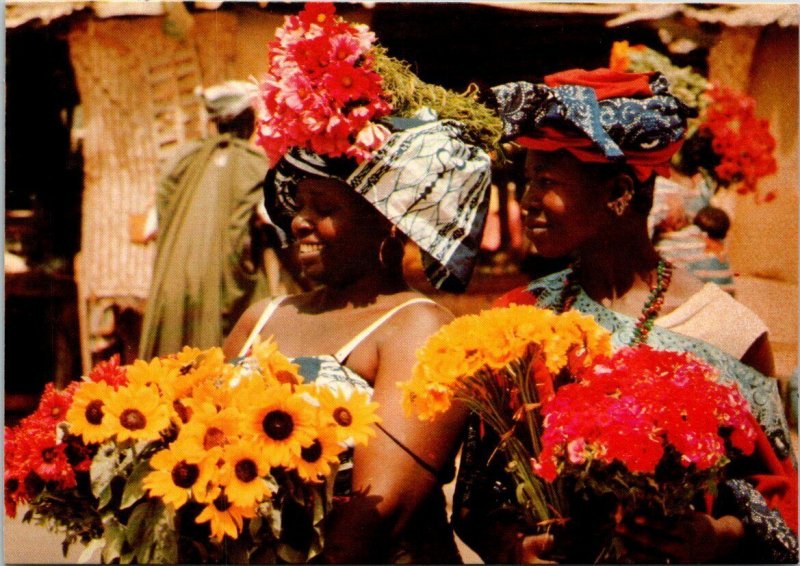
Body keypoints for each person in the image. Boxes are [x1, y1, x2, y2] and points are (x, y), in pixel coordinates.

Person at [452, 69, 797, 563]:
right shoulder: (517, 321)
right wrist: (513, 550)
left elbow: (777, 504)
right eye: (527, 180)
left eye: (546, 182)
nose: (527, 202)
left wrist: (718, 536)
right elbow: (477, 496)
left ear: (618, 191)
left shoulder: (726, 331)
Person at [223, 5, 497, 562]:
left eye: (324, 206)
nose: (300, 220)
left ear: (387, 221)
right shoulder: (262, 319)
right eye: (298, 204)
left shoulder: (418, 330)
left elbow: (380, 514)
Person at [138, 81, 275, 359]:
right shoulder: (253, 163)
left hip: (173, 288)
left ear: (214, 122)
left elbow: (149, 227)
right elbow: (272, 219)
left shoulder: (182, 159)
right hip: (224, 289)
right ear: (248, 121)